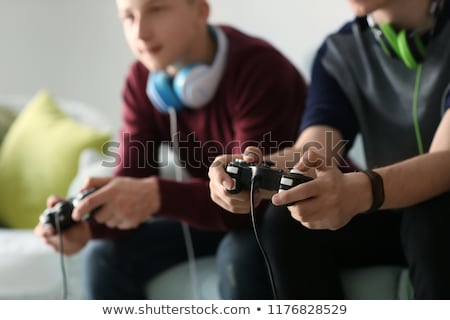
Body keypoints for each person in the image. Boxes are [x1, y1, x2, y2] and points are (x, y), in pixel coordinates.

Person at [34, 0, 307, 299]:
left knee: (240, 252)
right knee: (104, 256)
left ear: (200, 11)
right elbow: (130, 180)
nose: (140, 32)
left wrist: (156, 196)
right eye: (128, 16)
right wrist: (88, 222)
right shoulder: (142, 82)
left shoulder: (259, 67)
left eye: (157, 9)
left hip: (280, 218)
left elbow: (250, 201)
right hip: (216, 212)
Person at [209, 0, 450, 299]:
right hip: (389, 213)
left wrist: (360, 191)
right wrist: (255, 171)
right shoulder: (339, 49)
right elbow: (314, 147)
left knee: (431, 215)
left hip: (435, 216)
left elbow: (446, 162)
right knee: (287, 220)